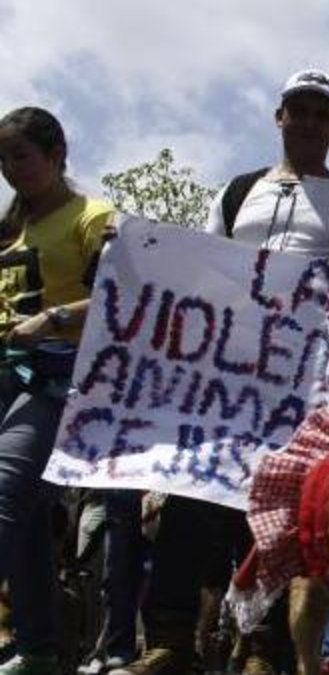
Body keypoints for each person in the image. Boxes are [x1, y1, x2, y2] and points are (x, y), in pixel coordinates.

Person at [112, 68, 329, 675]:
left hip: (304, 383)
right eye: (299, 109)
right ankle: (170, 641)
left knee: (283, 508)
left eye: (322, 113)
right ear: (278, 116)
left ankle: (265, 647)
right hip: (227, 375)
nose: (310, 122)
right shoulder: (238, 192)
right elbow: (200, 272)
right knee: (194, 493)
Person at [0, 106, 117, 675]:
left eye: (20, 154)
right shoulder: (9, 230)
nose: (10, 168)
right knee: (26, 518)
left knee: (5, 487)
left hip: (58, 378)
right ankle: (39, 649)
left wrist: (51, 320)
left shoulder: (92, 218)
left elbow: (122, 300)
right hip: (4, 378)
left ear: (56, 154)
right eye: (2, 159)